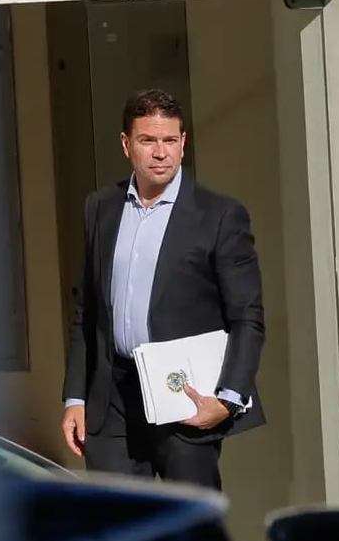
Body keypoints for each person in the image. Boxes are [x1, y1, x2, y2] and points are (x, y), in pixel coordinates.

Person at [60, 89, 265, 490]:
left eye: (170, 140)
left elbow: (248, 317)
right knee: (117, 519)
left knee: (187, 518)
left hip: (185, 398)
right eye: (148, 140)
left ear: (183, 143)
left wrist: (228, 399)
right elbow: (88, 310)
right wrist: (75, 398)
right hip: (112, 402)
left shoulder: (219, 215)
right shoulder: (101, 207)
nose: (160, 153)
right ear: (126, 145)